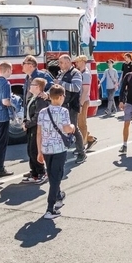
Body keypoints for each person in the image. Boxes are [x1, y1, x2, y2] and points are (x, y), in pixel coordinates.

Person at [37, 84, 74, 219]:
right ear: (59, 97)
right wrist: (73, 127)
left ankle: (58, 196)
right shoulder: (63, 111)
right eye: (63, 96)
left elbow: (39, 133)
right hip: (59, 148)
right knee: (56, 177)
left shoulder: (42, 112)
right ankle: (50, 208)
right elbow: (67, 128)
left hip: (46, 148)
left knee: (52, 175)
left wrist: (39, 151)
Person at [56, 54, 86, 164]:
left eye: (61, 62)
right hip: (62, 106)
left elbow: (76, 88)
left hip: (72, 105)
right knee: (63, 128)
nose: (59, 64)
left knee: (73, 128)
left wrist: (60, 83)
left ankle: (81, 153)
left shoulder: (75, 73)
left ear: (68, 62)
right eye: (59, 62)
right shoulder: (61, 73)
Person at [22, 77, 48, 184]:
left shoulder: (41, 100)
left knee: (35, 150)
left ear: (37, 87)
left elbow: (38, 117)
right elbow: (27, 112)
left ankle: (41, 172)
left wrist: (27, 124)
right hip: (30, 127)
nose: (30, 86)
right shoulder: (31, 98)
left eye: (32, 84)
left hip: (36, 128)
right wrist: (24, 121)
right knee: (30, 150)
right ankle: (34, 172)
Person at [74, 55, 97, 151]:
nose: (76, 63)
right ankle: (90, 139)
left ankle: (82, 146)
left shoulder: (86, 74)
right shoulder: (81, 72)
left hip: (83, 100)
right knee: (78, 123)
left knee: (82, 123)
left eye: (78, 61)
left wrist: (81, 103)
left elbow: (85, 91)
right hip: (80, 100)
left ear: (83, 62)